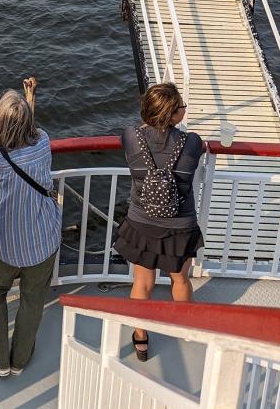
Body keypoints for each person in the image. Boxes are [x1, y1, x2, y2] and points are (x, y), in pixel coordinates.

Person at [0, 77, 62, 377]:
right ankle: (20, 359)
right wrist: (29, 99)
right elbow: (28, 131)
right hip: (42, 243)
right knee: (32, 301)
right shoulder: (44, 142)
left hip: (4, 246)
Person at [114, 82, 205, 360]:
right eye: (181, 107)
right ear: (173, 115)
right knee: (180, 279)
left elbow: (138, 129)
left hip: (142, 222)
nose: (184, 110)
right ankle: (185, 327)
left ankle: (140, 338)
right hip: (179, 226)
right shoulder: (191, 142)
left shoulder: (131, 136)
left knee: (142, 283)